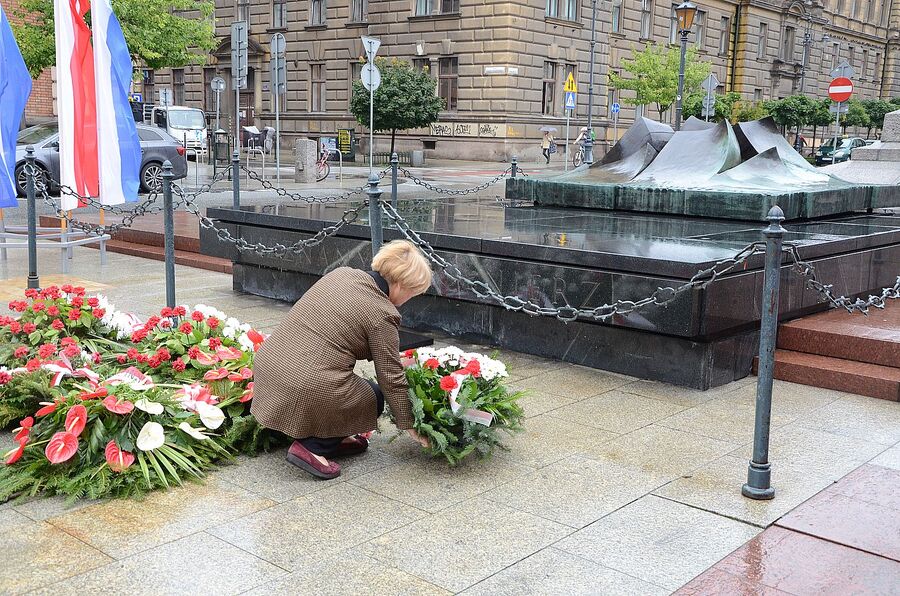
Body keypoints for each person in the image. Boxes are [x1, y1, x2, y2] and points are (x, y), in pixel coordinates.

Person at [251, 240, 433, 480]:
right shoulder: (383, 312)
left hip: (268, 368)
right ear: (400, 284)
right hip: (302, 385)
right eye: (414, 292)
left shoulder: (342, 274)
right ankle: (313, 447)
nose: (411, 298)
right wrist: (410, 424)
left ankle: (331, 434)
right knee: (373, 396)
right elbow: (390, 378)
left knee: (340, 384)